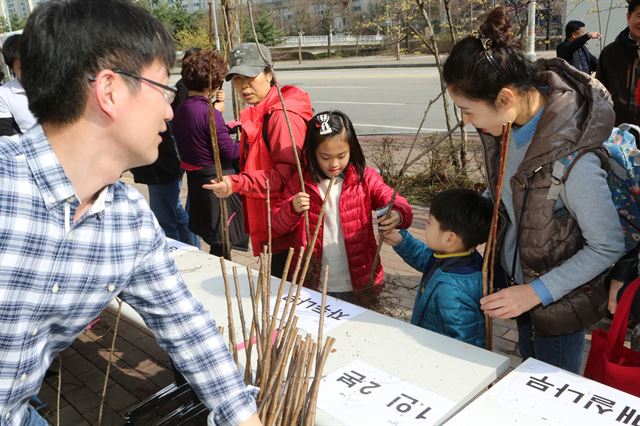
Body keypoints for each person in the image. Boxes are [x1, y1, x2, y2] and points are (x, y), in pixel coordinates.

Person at [0, 0, 261, 425]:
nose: (169, 109)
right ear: (110, 91)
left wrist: (242, 416)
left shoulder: (129, 223)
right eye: (163, 89)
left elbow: (187, 326)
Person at [442, 7, 625, 373]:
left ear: (506, 98)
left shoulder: (573, 160)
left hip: (557, 305)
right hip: (519, 287)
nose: (466, 121)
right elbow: (510, 193)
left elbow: (607, 244)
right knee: (526, 367)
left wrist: (534, 293)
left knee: (549, 390)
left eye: (468, 110)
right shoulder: (506, 127)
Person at [271, 111, 413, 302]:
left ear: (351, 149)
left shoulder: (363, 178)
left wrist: (397, 213)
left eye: (341, 155)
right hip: (313, 280)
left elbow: (392, 198)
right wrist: (292, 209)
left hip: (360, 280)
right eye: (326, 157)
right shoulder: (301, 183)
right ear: (312, 153)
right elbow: (276, 224)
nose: (334, 163)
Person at [204, 43, 313, 278]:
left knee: (286, 294)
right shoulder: (263, 111)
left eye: (250, 76)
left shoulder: (281, 117)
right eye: (237, 79)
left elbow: (285, 178)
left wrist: (236, 183)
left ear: (268, 74)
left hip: (289, 225)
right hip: (278, 220)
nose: (244, 85)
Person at [382, 188, 491, 348]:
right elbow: (427, 258)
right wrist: (402, 242)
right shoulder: (459, 257)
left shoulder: (452, 292)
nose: (426, 226)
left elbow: (463, 346)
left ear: (450, 238)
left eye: (429, 222)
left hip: (439, 355)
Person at [173, 49, 249, 256]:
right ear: (215, 84)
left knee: (215, 236)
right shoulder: (209, 112)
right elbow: (229, 151)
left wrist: (226, 128)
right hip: (216, 182)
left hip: (197, 181)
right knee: (222, 239)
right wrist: (247, 141)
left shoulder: (182, 109)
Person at [129, 48, 201, 248]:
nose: (168, 114)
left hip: (162, 170)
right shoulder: (174, 90)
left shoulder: (171, 93)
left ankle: (182, 254)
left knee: (166, 221)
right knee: (175, 212)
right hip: (164, 168)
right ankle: (192, 249)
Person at [597, 0, 640, 125]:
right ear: (628, 16)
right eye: (639, 16)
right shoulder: (610, 53)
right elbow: (599, 92)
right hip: (617, 131)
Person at [0, 34, 36, 136]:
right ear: (13, 69)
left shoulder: (59, 81)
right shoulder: (4, 94)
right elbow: (5, 135)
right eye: (22, 68)